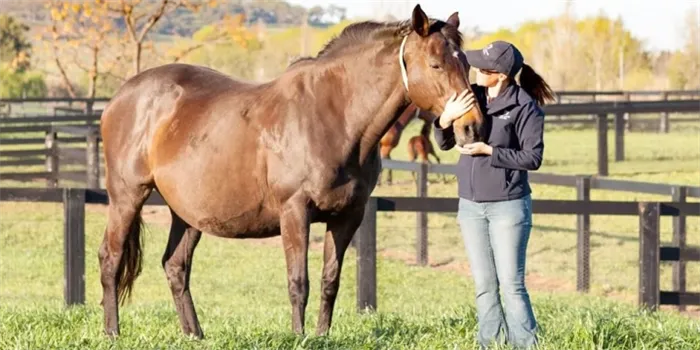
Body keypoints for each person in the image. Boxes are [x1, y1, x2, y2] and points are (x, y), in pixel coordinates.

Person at [433, 40, 555, 349]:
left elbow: (532, 158)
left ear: (499, 74)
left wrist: (490, 150)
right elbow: (445, 143)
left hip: (508, 207)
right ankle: (490, 343)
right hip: (470, 206)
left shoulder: (525, 107)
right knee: (484, 285)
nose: (473, 70)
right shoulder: (471, 98)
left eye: (481, 66)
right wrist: (444, 120)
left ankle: (525, 344)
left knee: (511, 285)